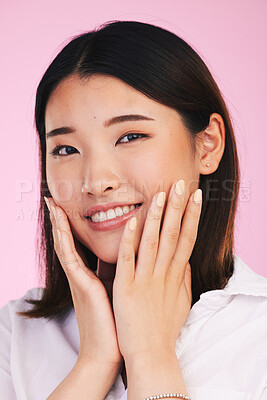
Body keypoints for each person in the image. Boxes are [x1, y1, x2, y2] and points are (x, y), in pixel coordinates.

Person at [0, 20, 266, 400]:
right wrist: (94, 363)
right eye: (66, 149)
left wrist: (150, 357)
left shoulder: (258, 333)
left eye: (129, 136)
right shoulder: (15, 334)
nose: (95, 182)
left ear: (207, 145)